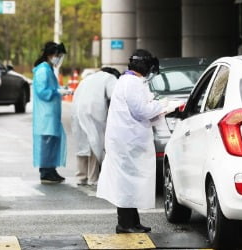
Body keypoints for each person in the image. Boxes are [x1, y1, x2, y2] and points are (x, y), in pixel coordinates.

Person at [96, 49, 170, 234]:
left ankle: (133, 221)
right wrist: (163, 105)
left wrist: (157, 108)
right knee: (126, 183)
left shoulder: (129, 81)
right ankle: (125, 224)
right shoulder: (132, 83)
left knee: (130, 183)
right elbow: (141, 111)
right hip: (127, 142)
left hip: (127, 140)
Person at [71, 67, 121, 186]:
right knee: (95, 144)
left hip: (78, 110)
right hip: (92, 113)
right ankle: (93, 178)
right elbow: (115, 95)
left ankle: (81, 177)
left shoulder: (89, 78)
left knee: (82, 144)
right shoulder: (110, 78)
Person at [32, 41, 69, 184]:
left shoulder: (48, 68)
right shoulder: (43, 70)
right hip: (45, 114)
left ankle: (51, 169)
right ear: (51, 55)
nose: (59, 58)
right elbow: (42, 91)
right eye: (58, 55)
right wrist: (57, 91)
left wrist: (59, 90)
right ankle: (46, 172)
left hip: (50, 113)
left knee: (52, 142)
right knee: (47, 142)